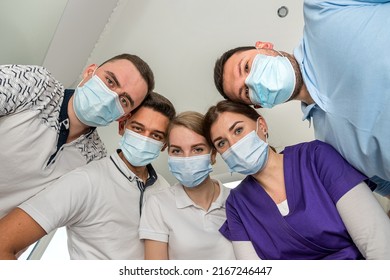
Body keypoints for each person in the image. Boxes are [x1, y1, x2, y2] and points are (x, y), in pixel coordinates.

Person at [213, 0, 390, 198]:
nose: (253, 80)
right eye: (246, 91)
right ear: (259, 104)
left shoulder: (324, 9)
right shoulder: (329, 149)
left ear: (264, 46)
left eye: (246, 67)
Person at [203, 100, 390, 260]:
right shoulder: (237, 204)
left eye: (238, 130)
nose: (233, 145)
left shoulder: (316, 157)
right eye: (221, 143)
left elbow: (377, 242)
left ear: (262, 126)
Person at [0, 92, 176, 260]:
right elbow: (4, 243)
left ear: (164, 144)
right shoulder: (85, 181)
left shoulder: (165, 189)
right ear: (122, 126)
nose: (145, 140)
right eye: (138, 128)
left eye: (156, 135)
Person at [0, 53, 155, 219]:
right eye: (110, 81)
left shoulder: (94, 160)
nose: (110, 97)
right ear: (89, 72)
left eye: (124, 101)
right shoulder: (35, 84)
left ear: (122, 117)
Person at [139, 111, 236, 260]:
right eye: (177, 151)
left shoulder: (237, 200)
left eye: (197, 149)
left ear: (213, 154)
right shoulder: (157, 204)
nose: (187, 159)